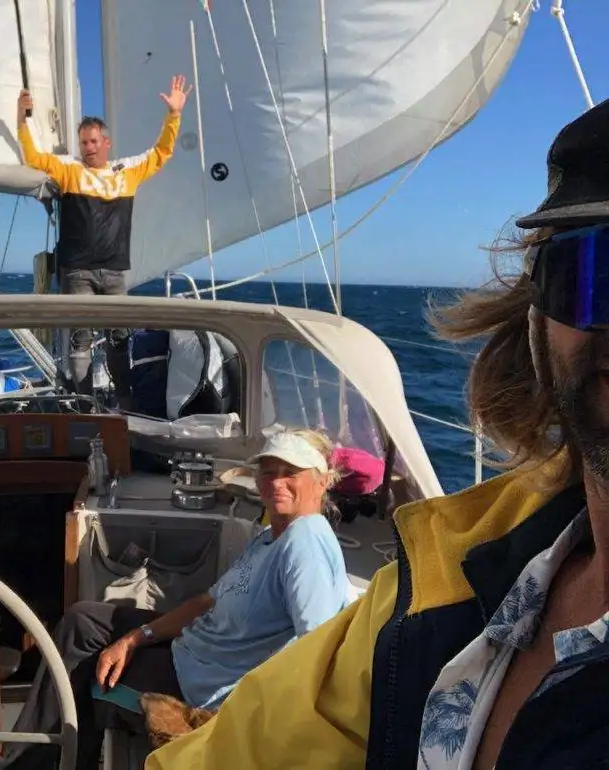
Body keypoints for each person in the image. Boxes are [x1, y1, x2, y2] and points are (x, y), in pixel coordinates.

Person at [145, 98, 609, 770]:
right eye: (605, 272)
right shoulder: (442, 584)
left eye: (286, 469)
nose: (274, 481)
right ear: (537, 319)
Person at [0, 429, 350, 770]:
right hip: (194, 649)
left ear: (322, 481)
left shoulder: (305, 540)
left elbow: (316, 645)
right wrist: (136, 638)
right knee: (83, 620)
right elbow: (206, 602)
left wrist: (259, 729)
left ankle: (29, 763)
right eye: (269, 472)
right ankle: (35, 758)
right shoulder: (271, 537)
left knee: (85, 673)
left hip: (203, 685)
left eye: (291, 473)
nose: (276, 482)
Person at [17, 76, 191, 407]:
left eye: (94, 142)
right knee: (80, 338)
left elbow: (162, 152)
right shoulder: (68, 170)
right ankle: (85, 404)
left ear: (107, 143)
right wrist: (22, 119)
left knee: (119, 339)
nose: (88, 148)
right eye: (84, 143)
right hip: (77, 270)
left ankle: (124, 401)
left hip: (113, 272)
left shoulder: (127, 172)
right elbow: (33, 158)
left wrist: (174, 115)